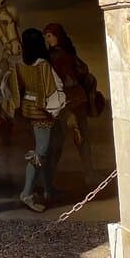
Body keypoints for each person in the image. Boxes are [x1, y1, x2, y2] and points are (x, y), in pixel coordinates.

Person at [5, 28, 66, 213]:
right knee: (41, 152)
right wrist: (58, 105)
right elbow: (50, 90)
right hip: (42, 110)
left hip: (28, 109)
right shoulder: (42, 65)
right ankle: (27, 193)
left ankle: (49, 190)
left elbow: (16, 88)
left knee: (46, 151)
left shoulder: (19, 64)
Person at [45, 23, 97, 189]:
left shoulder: (67, 54)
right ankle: (50, 180)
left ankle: (89, 174)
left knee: (82, 139)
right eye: (46, 36)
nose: (48, 39)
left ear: (58, 36)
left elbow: (82, 71)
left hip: (76, 100)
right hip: (61, 102)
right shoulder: (49, 57)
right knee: (57, 142)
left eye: (50, 35)